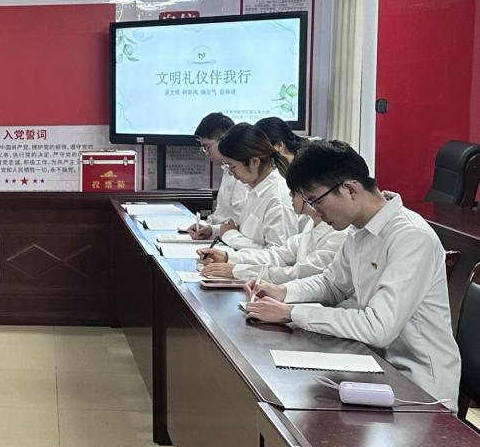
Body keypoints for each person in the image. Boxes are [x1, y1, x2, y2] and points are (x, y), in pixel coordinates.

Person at [244, 140, 461, 406]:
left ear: (349, 189)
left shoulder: (411, 237)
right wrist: (284, 292)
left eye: (316, 201)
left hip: (419, 388)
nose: (316, 213)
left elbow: (378, 327)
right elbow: (332, 284)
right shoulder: (359, 229)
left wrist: (291, 313)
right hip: (373, 364)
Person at [198, 191, 345, 283]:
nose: (289, 195)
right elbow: (278, 255)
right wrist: (228, 257)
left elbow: (301, 273)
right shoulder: (312, 225)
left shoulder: (339, 233)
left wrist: (239, 271)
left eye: (294, 191)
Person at [202, 122, 298, 250]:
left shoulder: (277, 199)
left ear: (254, 162)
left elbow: (279, 255)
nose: (230, 173)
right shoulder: (255, 188)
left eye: (232, 166)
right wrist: (214, 231)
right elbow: (242, 231)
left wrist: (230, 236)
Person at [187, 112, 248, 240]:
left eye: (207, 147)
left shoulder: (243, 173)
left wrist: (214, 230)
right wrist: (209, 228)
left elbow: (240, 224)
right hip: (222, 237)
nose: (206, 153)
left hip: (232, 241)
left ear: (224, 140)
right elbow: (221, 216)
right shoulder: (226, 168)